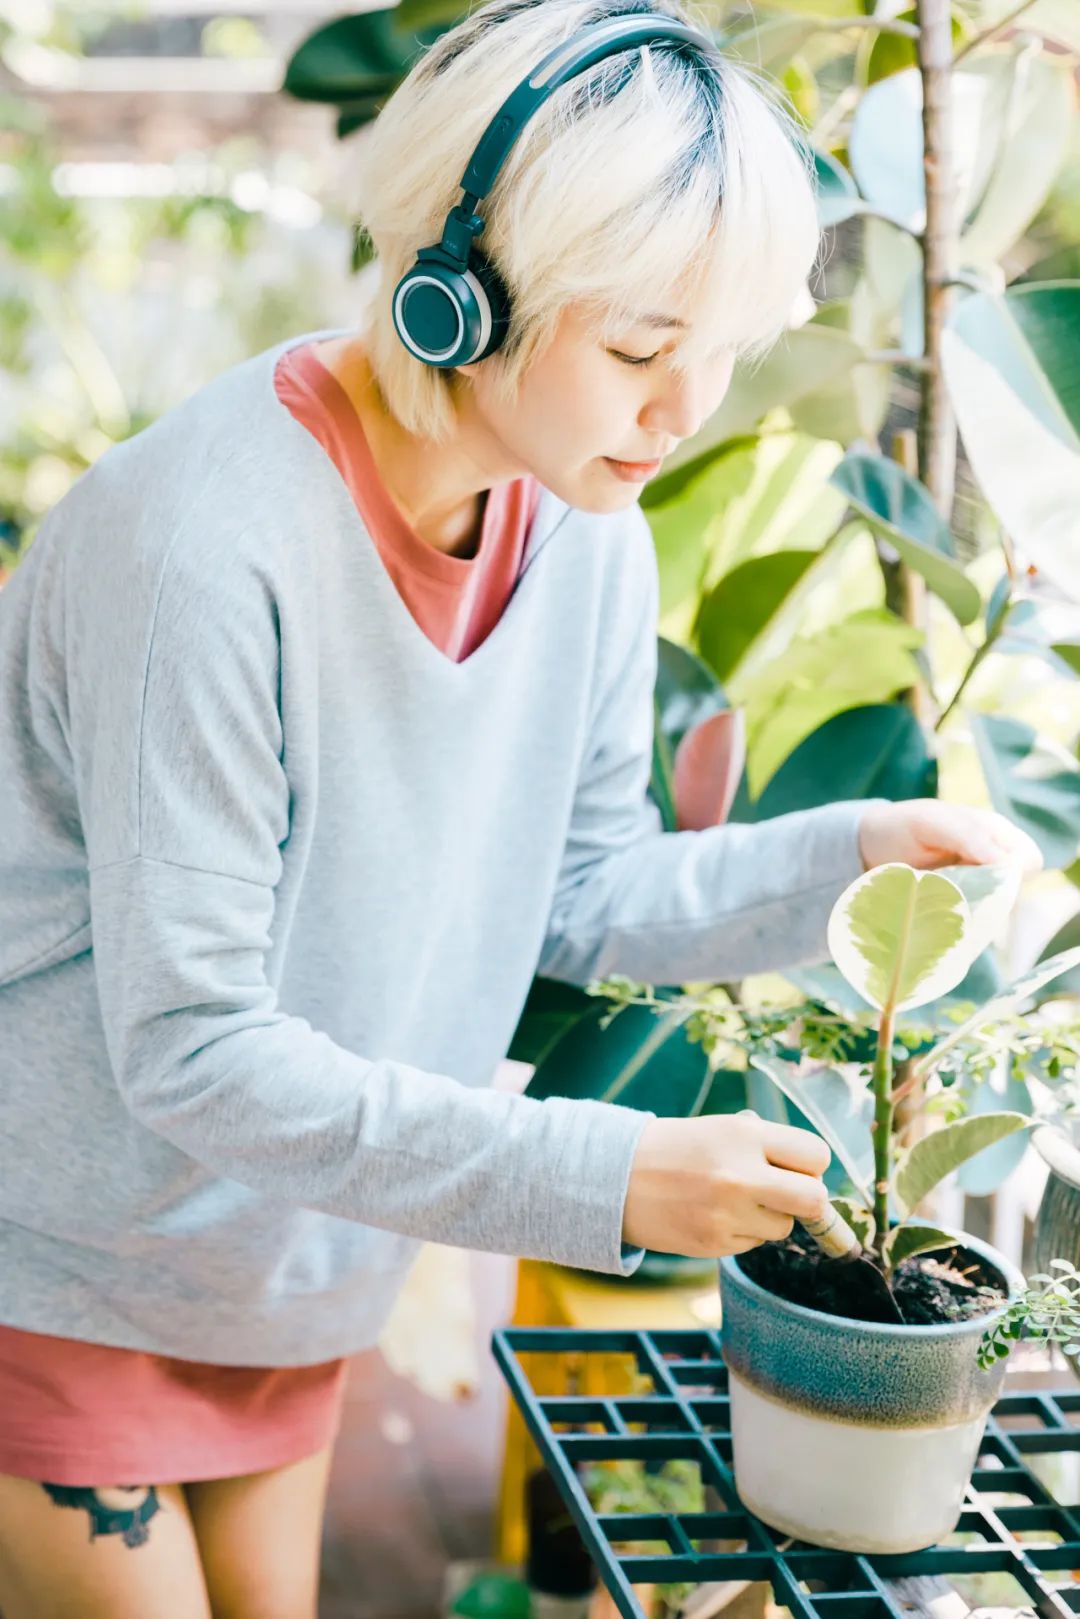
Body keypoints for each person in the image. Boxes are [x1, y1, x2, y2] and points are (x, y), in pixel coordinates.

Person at [0, 0, 1041, 1614]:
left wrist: (848, 858)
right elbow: (190, 1047)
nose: (685, 411)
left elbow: (578, 890)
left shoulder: (581, 527)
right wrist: (607, 1176)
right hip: (63, 1258)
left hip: (292, 1257)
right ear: (457, 292)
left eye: (726, 353)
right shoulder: (203, 549)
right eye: (638, 348)